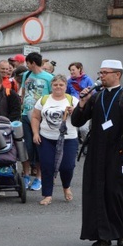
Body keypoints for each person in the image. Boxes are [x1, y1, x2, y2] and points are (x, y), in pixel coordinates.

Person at [71, 60, 123, 246]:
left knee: (117, 193)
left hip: (118, 153)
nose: (101, 76)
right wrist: (82, 103)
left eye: (105, 73)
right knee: (96, 193)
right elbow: (77, 121)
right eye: (100, 72)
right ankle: (102, 235)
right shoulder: (96, 96)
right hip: (96, 152)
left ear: (117, 74)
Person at [31, 75, 79, 205]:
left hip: (68, 138)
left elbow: (80, 119)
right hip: (47, 138)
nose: (58, 87)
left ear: (65, 86)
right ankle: (47, 195)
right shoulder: (44, 100)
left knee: (67, 166)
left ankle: (66, 187)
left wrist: (74, 111)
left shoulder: (72, 100)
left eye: (61, 85)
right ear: (51, 86)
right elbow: (35, 117)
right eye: (55, 85)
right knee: (47, 166)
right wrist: (35, 133)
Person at [19, 52, 53, 191]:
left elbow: (52, 97)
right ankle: (26, 175)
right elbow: (22, 93)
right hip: (25, 115)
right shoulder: (26, 76)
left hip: (41, 117)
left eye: (28, 62)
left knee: (40, 147)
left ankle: (39, 177)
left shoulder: (49, 78)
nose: (26, 65)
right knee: (26, 147)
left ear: (33, 63)